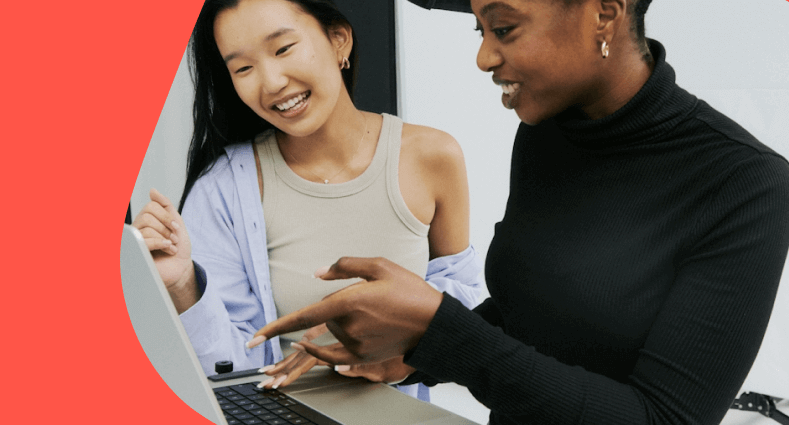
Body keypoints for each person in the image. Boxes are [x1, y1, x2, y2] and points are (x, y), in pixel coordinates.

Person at [248, 0, 789, 423]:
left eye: (503, 29)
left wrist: (440, 332)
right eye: (479, 31)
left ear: (603, 15)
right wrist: (413, 351)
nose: (483, 56)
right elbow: (535, 311)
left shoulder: (745, 183)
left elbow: (663, 417)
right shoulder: (546, 132)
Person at [131, 0, 484, 401]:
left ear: (339, 41)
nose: (272, 82)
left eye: (283, 49)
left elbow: (469, 314)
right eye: (243, 68)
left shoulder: (433, 156)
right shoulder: (223, 188)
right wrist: (183, 285)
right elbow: (227, 374)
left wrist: (401, 346)